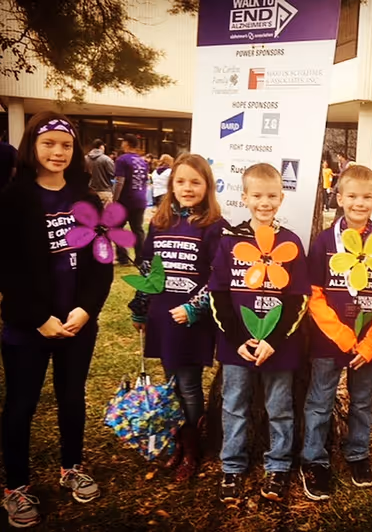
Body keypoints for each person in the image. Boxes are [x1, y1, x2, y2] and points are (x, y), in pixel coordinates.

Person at [0, 111, 113, 528]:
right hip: (27, 328)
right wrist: (38, 317)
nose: (58, 152)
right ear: (33, 146)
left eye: (65, 145)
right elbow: (7, 268)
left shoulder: (85, 198)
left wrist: (86, 309)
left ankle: (71, 467)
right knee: (21, 405)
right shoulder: (13, 198)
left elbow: (101, 262)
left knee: (72, 398)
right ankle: (16, 486)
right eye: (49, 143)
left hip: (76, 325)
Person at [209, 163, 310, 504]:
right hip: (236, 345)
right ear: (244, 198)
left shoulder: (291, 242)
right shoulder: (230, 240)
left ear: (281, 198)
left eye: (271, 196)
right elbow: (219, 292)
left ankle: (278, 465)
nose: (264, 202)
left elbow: (299, 298)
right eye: (257, 195)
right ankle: (232, 467)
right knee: (234, 405)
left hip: (278, 345)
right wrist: (238, 340)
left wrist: (273, 340)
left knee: (279, 407)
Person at [299, 165, 372, 501]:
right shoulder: (325, 241)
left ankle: (358, 454)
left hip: (368, 345)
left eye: (366, 197)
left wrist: (370, 342)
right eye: (352, 196)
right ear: (339, 197)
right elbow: (314, 295)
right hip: (329, 341)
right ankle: (314, 460)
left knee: (362, 402)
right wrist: (341, 335)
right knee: (319, 401)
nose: (359, 203)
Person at [128, 153, 225, 481]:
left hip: (190, 319)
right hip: (161, 315)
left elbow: (217, 277)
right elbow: (146, 266)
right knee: (170, 384)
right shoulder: (159, 222)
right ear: (171, 185)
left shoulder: (213, 226)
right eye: (181, 181)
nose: (187, 187)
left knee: (188, 384)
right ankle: (178, 444)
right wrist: (141, 306)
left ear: (207, 187)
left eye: (195, 182)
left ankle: (193, 450)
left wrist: (193, 309)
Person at [113, 134, 149, 265]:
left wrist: (114, 199)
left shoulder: (122, 160)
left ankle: (123, 256)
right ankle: (140, 258)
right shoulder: (143, 161)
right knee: (138, 229)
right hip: (140, 199)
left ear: (126, 143)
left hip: (126, 199)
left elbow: (119, 181)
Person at [85, 138, 115, 206]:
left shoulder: (85, 159)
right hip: (105, 192)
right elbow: (113, 175)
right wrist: (113, 186)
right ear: (101, 147)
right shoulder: (106, 159)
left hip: (89, 192)